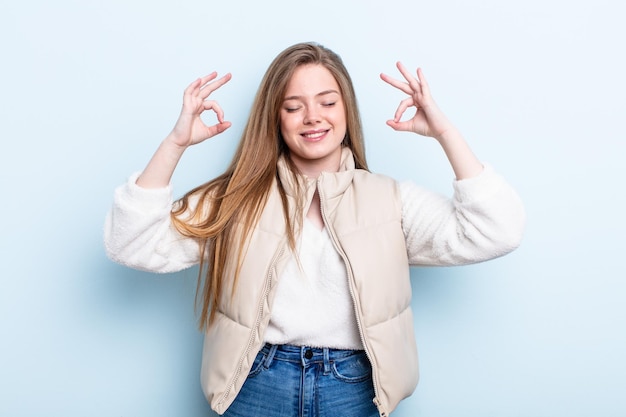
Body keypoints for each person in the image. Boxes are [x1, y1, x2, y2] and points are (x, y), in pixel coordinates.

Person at [104, 42, 525, 417]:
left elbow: (497, 231)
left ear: (346, 111)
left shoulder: (390, 200)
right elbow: (132, 245)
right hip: (255, 385)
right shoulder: (236, 199)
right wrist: (174, 144)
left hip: (354, 388)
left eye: (327, 102)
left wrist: (445, 133)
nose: (312, 118)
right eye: (293, 106)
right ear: (276, 117)